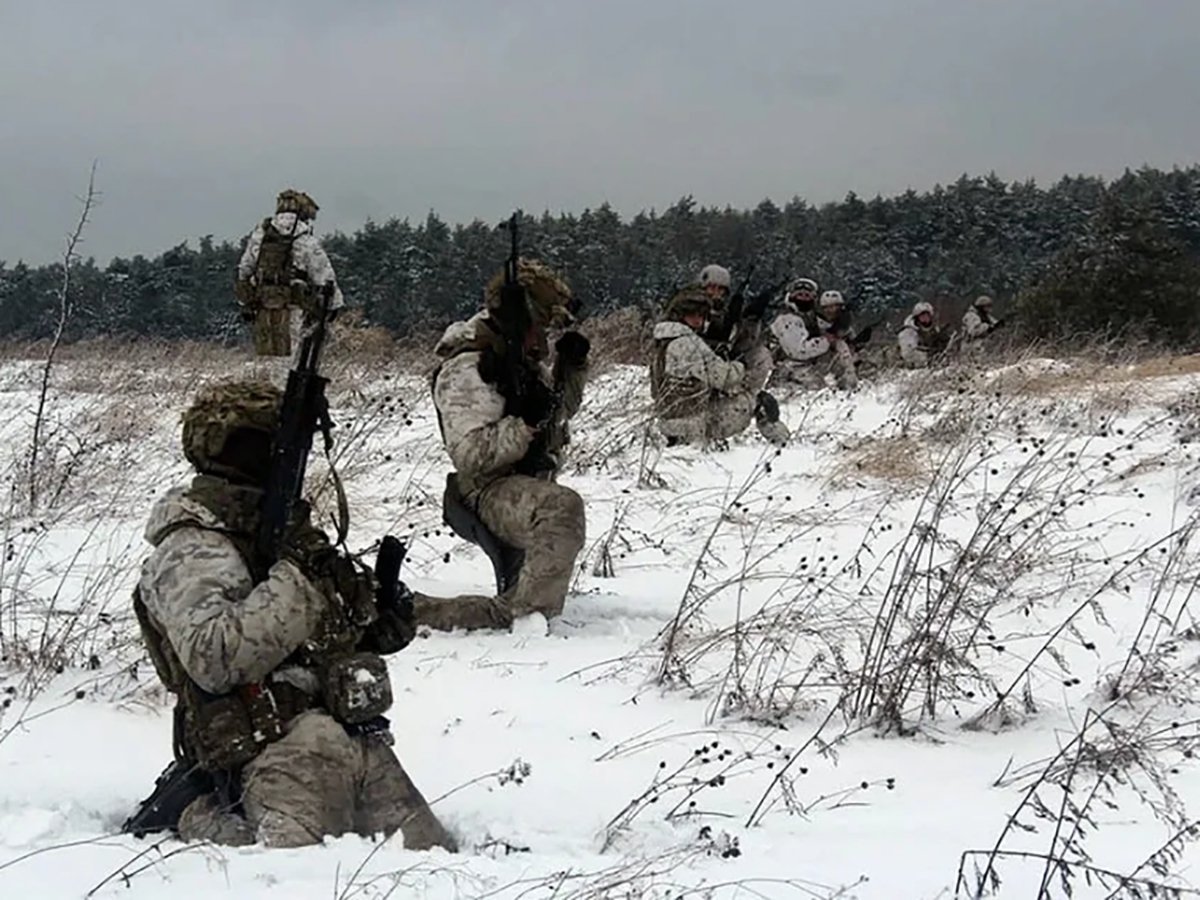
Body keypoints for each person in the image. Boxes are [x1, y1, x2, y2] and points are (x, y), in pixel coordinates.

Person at [132, 380, 455, 850]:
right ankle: (201, 818)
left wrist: (378, 620)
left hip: (354, 740)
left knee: (433, 863)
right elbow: (215, 658)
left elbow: (330, 635)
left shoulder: (283, 534)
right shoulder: (194, 545)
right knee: (300, 872)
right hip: (272, 749)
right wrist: (297, 582)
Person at [417, 258, 590, 632]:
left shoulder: (520, 360)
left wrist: (571, 369)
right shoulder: (469, 366)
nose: (545, 336)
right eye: (541, 324)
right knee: (562, 508)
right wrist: (522, 424)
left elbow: (555, 414)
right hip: (484, 489)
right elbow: (470, 456)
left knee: (557, 510)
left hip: (520, 481)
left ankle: (514, 605)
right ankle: (524, 617)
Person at [649, 285, 789, 447]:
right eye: (691, 314)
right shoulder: (688, 343)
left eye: (701, 315)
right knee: (760, 400)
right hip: (694, 424)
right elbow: (725, 378)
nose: (697, 320)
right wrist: (741, 364)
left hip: (668, 420)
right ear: (679, 315)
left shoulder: (662, 342)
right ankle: (782, 444)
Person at [235, 189, 344, 358]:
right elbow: (323, 273)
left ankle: (267, 382)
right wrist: (334, 304)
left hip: (263, 303)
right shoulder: (304, 238)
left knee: (267, 354)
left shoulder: (261, 234)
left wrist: (245, 301)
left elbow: (244, 269)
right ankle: (285, 383)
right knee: (291, 353)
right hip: (293, 303)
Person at [769, 283, 858, 390]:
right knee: (817, 389)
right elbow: (798, 352)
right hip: (787, 368)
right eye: (800, 295)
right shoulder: (787, 319)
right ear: (792, 297)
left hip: (807, 365)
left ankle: (849, 388)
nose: (804, 298)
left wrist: (843, 328)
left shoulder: (810, 316)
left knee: (841, 347)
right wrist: (826, 340)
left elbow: (829, 330)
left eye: (807, 295)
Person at [898, 301, 952, 368]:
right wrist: (929, 357)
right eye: (922, 315)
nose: (925, 318)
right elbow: (908, 354)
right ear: (917, 317)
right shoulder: (909, 332)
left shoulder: (934, 330)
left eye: (927, 315)